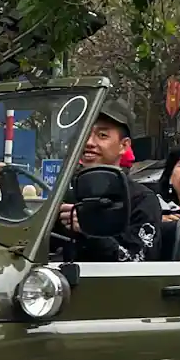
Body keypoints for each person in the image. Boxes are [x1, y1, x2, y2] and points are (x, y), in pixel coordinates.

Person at [55, 99, 163, 261]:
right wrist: (9, 188)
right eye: (84, 133)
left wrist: (89, 230)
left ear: (124, 146)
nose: (89, 143)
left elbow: (137, 261)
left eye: (102, 135)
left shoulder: (142, 200)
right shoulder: (66, 194)